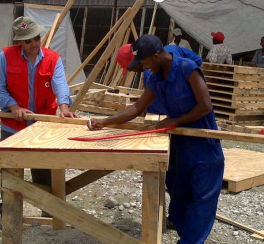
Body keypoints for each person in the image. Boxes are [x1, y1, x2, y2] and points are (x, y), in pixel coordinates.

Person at [90, 34, 225, 244]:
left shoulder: (187, 68)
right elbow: (137, 107)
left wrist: (176, 120)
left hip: (202, 144)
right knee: (178, 191)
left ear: (156, 55)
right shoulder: (155, 77)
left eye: (145, 63)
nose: (144, 68)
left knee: (202, 199)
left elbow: (205, 106)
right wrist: (105, 122)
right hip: (178, 144)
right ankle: (182, 231)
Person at [0, 16, 79, 216]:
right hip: (13, 125)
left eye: (37, 38)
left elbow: (60, 85)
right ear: (19, 41)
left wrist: (64, 108)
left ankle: (49, 211)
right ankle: (9, 210)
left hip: (43, 124)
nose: (34, 43)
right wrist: (14, 107)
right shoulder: (5, 56)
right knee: (9, 167)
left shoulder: (53, 58)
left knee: (44, 168)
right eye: (28, 40)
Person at [116, 43, 202, 114]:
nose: (132, 72)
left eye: (130, 69)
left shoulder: (150, 74)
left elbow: (158, 110)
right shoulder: (171, 49)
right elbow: (198, 60)